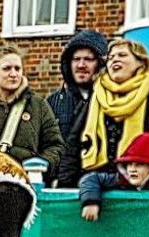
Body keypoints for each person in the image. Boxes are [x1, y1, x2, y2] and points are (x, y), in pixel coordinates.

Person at [64, 35, 149, 186]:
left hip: (145, 185)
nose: (115, 60)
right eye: (111, 57)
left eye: (122, 55)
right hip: (98, 185)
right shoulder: (96, 92)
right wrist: (65, 183)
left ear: (140, 62)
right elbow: (74, 143)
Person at [44, 29, 110, 188]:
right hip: (62, 188)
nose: (81, 65)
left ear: (100, 63)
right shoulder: (53, 103)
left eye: (88, 59)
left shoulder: (111, 101)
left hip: (100, 187)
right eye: (76, 59)